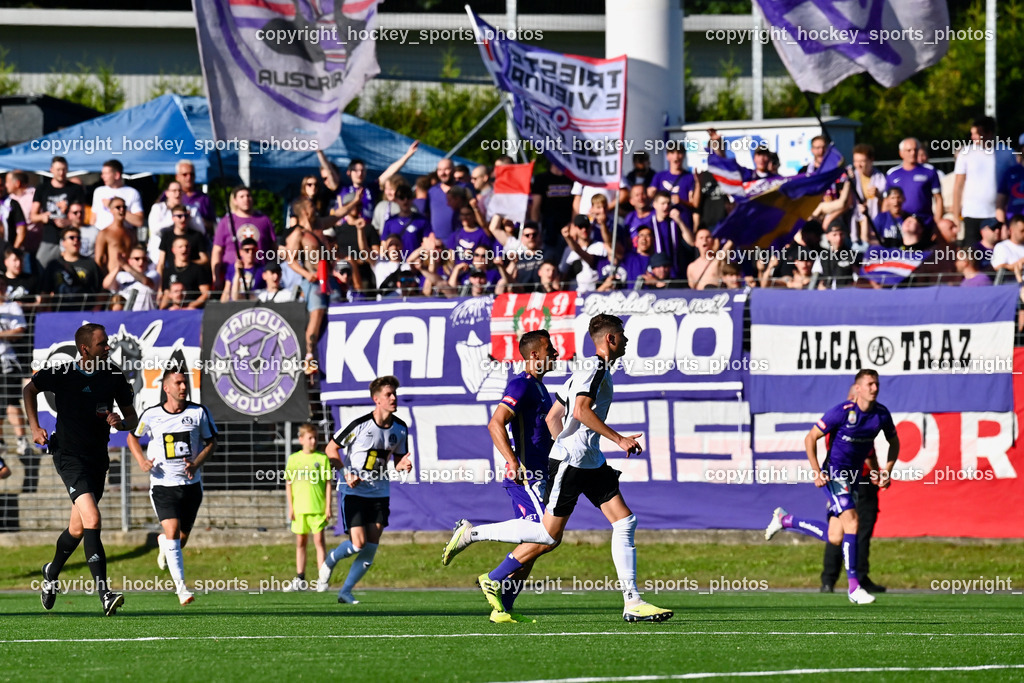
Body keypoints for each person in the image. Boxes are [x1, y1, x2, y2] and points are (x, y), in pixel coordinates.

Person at [456, 315, 673, 623]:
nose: (625, 341)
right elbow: (581, 410)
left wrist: (569, 443)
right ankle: (475, 536)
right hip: (576, 462)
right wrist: (617, 439)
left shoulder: (581, 372)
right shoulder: (596, 368)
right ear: (611, 339)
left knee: (625, 522)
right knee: (547, 534)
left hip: (587, 459)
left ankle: (633, 601)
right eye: (622, 336)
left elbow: (554, 418)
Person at [441, 330, 558, 622]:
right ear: (534, 355)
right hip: (527, 476)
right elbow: (495, 423)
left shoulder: (542, 389)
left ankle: (503, 606)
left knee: (536, 545)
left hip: (541, 475)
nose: (555, 353)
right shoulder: (521, 385)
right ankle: (477, 548)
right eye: (550, 349)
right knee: (547, 537)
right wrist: (512, 460)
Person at [26, 323, 139, 616]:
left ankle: (51, 572)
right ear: (85, 348)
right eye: (102, 344)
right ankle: (104, 593)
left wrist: (121, 423)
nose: (108, 348)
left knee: (77, 528)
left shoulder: (113, 375)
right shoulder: (62, 373)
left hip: (97, 459)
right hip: (68, 455)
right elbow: (30, 390)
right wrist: (35, 426)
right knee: (93, 518)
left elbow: (132, 419)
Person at [765, 369, 900, 605]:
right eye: (869, 384)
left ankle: (785, 520)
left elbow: (892, 442)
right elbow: (810, 438)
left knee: (835, 537)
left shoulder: (881, 415)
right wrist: (817, 472)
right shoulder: (842, 412)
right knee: (853, 522)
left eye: (876, 384)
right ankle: (854, 587)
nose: (874, 388)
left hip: (854, 477)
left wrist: (885, 471)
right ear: (857, 389)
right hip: (835, 474)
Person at [317, 376, 411, 603]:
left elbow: (398, 460)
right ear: (376, 399)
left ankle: (346, 591)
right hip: (354, 492)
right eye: (388, 394)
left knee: (371, 544)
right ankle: (330, 560)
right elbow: (331, 449)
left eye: (394, 394)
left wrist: (403, 465)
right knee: (357, 543)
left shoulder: (400, 428)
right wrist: (345, 472)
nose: (393, 398)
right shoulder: (360, 425)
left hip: (380, 492)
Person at [127, 369, 217, 606]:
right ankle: (181, 589)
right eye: (178, 383)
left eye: (185, 383)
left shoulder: (199, 413)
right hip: (163, 485)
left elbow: (211, 442)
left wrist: (197, 463)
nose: (183, 387)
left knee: (181, 538)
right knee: (174, 532)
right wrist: (142, 461)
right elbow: (132, 437)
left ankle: (163, 544)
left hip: (191, 486)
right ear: (166, 388)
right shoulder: (152, 414)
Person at [820, 387, 885, 594]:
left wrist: (877, 472)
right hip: (843, 481)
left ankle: (859, 578)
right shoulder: (841, 421)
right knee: (841, 531)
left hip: (862, 481)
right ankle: (832, 579)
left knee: (857, 531)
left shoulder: (866, 422)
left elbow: (870, 451)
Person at [283, 423, 332, 592]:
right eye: (310, 438)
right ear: (301, 439)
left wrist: (328, 507)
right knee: (300, 542)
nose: (313, 441)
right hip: (299, 508)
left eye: (315, 438)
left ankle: (322, 579)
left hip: (317, 508)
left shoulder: (322, 458)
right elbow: (288, 484)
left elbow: (327, 483)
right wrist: (291, 507)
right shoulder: (294, 459)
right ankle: (300, 579)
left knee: (319, 542)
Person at [30, 156, 85, 266]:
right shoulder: (42, 188)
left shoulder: (75, 189)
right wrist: (42, 217)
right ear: (51, 170)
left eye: (64, 169)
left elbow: (83, 216)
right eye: (58, 169)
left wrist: (69, 222)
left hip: (71, 237)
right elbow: (32, 216)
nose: (61, 173)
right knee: (41, 265)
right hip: (49, 237)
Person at [159, 236, 212, 309]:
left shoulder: (198, 269)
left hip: (192, 311)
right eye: (180, 247)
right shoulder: (168, 271)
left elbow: (206, 293)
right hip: (173, 311)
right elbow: (167, 294)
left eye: (187, 246)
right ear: (173, 250)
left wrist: (191, 306)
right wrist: (161, 310)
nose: (184, 249)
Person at [103, 245, 160, 311]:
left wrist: (124, 265)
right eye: (137, 259)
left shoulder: (153, 274)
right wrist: (118, 267)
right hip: (123, 318)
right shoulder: (121, 275)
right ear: (129, 261)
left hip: (144, 318)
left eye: (144, 259)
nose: (141, 262)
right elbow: (106, 285)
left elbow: (146, 281)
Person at [91, 159, 144, 230]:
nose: (102, 176)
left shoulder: (132, 192)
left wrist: (113, 206)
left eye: (106, 173)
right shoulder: (99, 191)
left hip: (121, 236)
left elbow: (139, 221)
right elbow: (93, 218)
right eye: (102, 173)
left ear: (116, 175)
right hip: (100, 234)